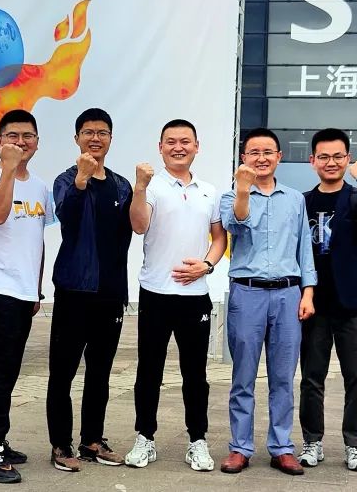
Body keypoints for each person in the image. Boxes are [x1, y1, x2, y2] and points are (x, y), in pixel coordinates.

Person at [124, 119, 227, 473]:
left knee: (195, 374)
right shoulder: (151, 187)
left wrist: (207, 265)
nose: (178, 147)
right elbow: (139, 225)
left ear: (197, 146)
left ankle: (197, 440)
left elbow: (219, 238)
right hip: (155, 293)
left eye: (185, 141)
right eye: (171, 141)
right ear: (160, 147)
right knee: (148, 371)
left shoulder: (209, 191)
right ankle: (145, 437)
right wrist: (140, 186)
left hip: (195, 295)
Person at [218, 127, 316, 477]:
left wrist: (308, 291)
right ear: (243, 157)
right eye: (254, 152)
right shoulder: (231, 195)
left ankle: (282, 447)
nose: (261, 158)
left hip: (288, 294)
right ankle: (240, 447)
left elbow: (304, 246)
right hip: (248, 293)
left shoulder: (295, 199)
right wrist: (244, 190)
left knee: (283, 376)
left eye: (268, 152)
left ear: (279, 157)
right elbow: (237, 226)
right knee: (243, 376)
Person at [0, 110, 54, 483]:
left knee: (9, 371)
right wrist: (7, 169)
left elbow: (37, 241)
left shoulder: (40, 187)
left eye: (27, 136)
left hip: (23, 291)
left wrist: (36, 288)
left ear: (37, 142)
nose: (21, 142)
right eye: (13, 136)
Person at [46, 108, 133, 472]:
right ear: (77, 138)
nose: (95, 138)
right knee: (62, 372)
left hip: (110, 294)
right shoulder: (66, 180)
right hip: (74, 290)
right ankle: (60, 444)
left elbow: (130, 232)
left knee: (100, 372)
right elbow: (67, 217)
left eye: (102, 132)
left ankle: (92, 440)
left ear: (110, 139)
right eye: (88, 132)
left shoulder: (122, 185)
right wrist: (82, 180)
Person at [296, 128, 357, 474]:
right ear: (312, 160)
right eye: (324, 156)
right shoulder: (303, 201)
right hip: (314, 304)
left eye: (337, 156)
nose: (330, 162)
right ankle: (312, 441)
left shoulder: (356, 196)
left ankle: (355, 446)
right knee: (311, 378)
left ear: (347, 159)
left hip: (355, 305)